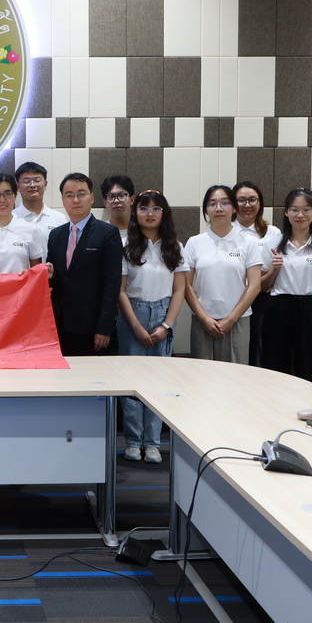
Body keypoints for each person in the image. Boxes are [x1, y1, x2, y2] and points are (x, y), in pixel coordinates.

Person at [118, 190, 187, 463]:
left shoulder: (175, 246)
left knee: (159, 382)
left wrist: (166, 325)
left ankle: (153, 443)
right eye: (144, 208)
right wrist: (135, 326)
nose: (150, 213)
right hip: (132, 313)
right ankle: (133, 442)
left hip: (163, 313)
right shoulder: (126, 246)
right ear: (135, 212)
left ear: (164, 213)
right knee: (132, 381)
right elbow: (120, 291)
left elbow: (179, 290)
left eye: (156, 208)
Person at [261, 189, 312, 382]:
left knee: (309, 365)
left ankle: (308, 401)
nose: (300, 215)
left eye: (306, 209)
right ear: (286, 212)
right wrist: (274, 269)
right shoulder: (272, 243)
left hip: (310, 308)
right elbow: (262, 286)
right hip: (278, 307)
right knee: (275, 365)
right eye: (294, 209)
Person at [184, 185, 263, 364]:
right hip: (203, 321)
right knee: (201, 373)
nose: (218, 208)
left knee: (234, 375)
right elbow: (185, 285)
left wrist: (231, 320)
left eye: (225, 203)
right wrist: (203, 318)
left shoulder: (248, 242)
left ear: (234, 208)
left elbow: (254, 285)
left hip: (238, 321)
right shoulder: (195, 242)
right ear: (206, 210)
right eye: (212, 204)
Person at [45, 173, 122, 356]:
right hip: (61, 325)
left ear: (92, 197)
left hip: (93, 327)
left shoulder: (108, 233)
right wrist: (50, 275)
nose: (75, 200)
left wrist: (104, 328)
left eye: (81, 194)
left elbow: (112, 285)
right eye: (69, 195)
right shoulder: (56, 235)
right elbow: (56, 280)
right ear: (63, 199)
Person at [233, 181, 281, 366]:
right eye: (241, 200)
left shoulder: (272, 233)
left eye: (252, 199)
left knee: (260, 348)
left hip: (264, 300)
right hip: (234, 298)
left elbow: (275, 269)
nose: (247, 205)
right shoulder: (226, 232)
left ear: (260, 203)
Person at [12, 161, 67, 234]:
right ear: (18, 187)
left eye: (37, 180)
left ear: (45, 184)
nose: (32, 185)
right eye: (26, 181)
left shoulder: (59, 219)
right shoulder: (9, 219)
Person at [102, 175, 135, 241]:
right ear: (105, 203)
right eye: (111, 196)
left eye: (121, 195)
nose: (116, 201)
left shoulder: (144, 230)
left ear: (132, 199)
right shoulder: (99, 231)